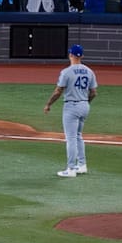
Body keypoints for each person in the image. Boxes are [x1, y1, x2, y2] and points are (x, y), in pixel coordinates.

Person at [44, 44, 98, 178]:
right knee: (78, 136)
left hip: (71, 106)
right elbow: (93, 93)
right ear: (82, 56)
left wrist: (49, 104)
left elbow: (58, 91)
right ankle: (82, 165)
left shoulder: (66, 72)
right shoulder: (89, 71)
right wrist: (85, 103)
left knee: (71, 138)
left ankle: (71, 169)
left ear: (71, 55)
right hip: (84, 105)